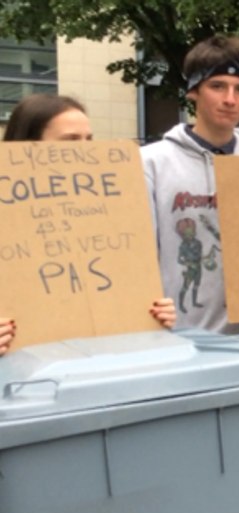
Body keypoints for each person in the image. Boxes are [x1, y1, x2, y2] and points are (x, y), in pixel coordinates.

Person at [0, 94, 176, 356]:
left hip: (99, 375)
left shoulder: (113, 213)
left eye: (89, 140)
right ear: (29, 146)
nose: (84, 150)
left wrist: (153, 312)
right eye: (70, 140)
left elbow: (122, 291)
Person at [142, 35, 239, 335]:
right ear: (193, 92)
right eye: (217, 86)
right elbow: (139, 260)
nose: (230, 99)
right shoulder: (150, 164)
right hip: (179, 341)